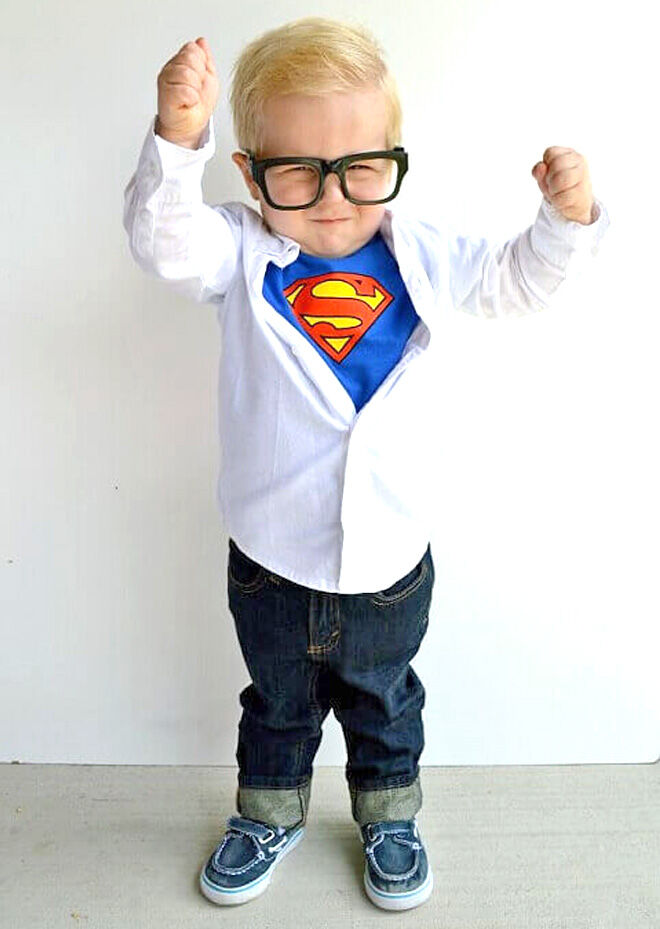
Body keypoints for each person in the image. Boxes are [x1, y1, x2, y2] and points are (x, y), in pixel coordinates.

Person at [122, 17, 609, 911]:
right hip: (269, 558)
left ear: (394, 156)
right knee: (276, 702)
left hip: (389, 559)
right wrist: (179, 136)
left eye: (360, 167)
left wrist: (564, 220)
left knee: (385, 701)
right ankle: (270, 811)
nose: (332, 197)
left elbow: (520, 282)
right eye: (296, 170)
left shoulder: (424, 251)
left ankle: (388, 812)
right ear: (250, 171)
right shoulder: (236, 251)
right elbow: (163, 241)